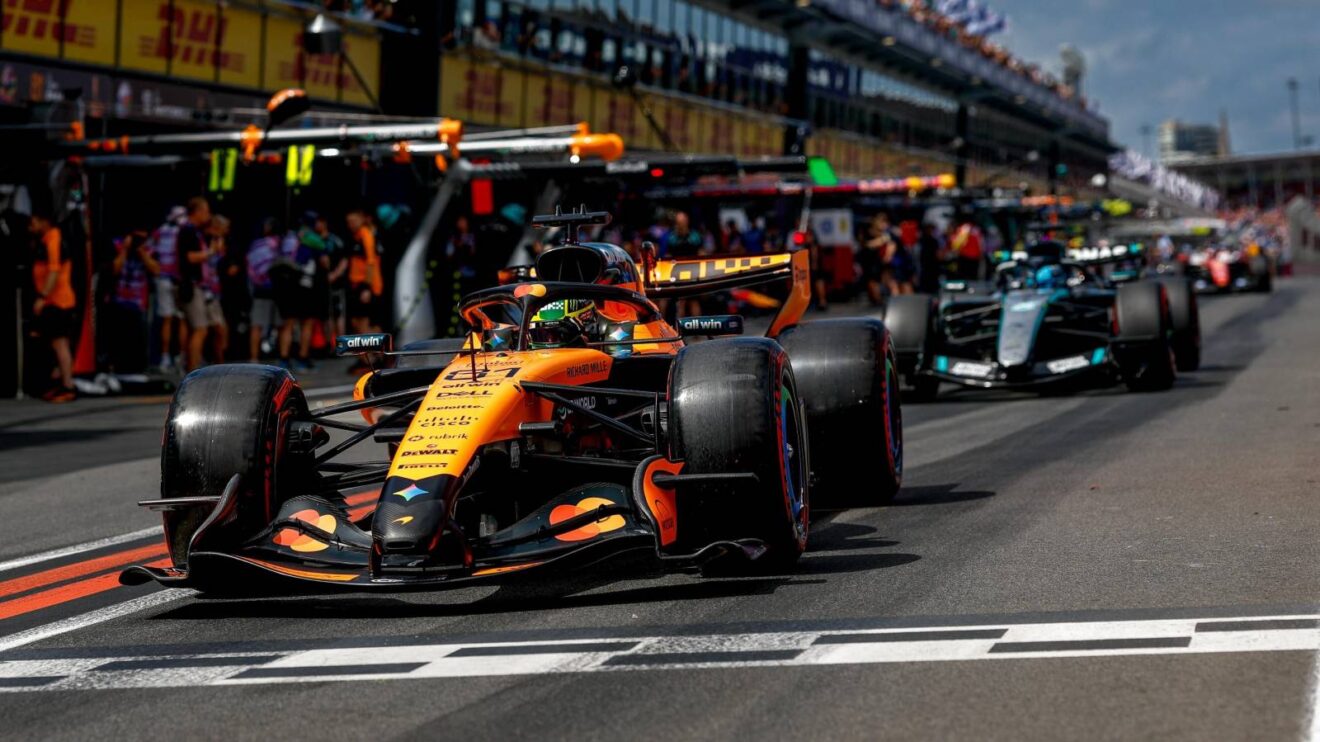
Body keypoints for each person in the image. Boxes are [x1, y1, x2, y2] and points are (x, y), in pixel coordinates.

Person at [28, 212, 77, 401]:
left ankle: (68, 386)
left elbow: (54, 270)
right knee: (52, 342)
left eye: (33, 222)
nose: (30, 226)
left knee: (60, 343)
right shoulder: (47, 238)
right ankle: (59, 382)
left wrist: (42, 296)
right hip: (54, 301)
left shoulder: (54, 238)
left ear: (44, 220)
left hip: (58, 301)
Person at [179, 197, 223, 371]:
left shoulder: (196, 231)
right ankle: (192, 371)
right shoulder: (188, 231)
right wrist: (211, 252)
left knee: (200, 328)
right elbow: (189, 257)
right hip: (191, 284)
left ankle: (194, 366)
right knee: (200, 329)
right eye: (205, 211)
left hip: (199, 286)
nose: (208, 214)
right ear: (196, 212)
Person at [107, 230, 159, 373]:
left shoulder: (148, 249)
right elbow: (114, 269)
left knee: (138, 338)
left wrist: (142, 253)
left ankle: (137, 368)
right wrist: (124, 249)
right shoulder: (118, 246)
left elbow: (156, 270)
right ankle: (116, 366)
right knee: (119, 337)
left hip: (138, 302)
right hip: (118, 300)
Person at [147, 206, 187, 370]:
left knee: (168, 319)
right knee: (181, 319)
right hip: (177, 280)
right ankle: (180, 357)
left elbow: (149, 250)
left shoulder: (159, 231)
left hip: (163, 278)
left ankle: (166, 357)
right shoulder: (184, 231)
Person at [246, 218, 281, 363]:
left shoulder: (256, 245)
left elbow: (250, 267)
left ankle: (255, 358)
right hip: (276, 289)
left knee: (258, 325)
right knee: (279, 326)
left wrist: (257, 281)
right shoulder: (281, 243)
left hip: (263, 289)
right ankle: (280, 358)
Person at [211, 215, 244, 361]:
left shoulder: (232, 244)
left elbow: (235, 268)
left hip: (228, 292)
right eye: (225, 227)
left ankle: (223, 357)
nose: (227, 230)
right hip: (210, 289)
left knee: (225, 325)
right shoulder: (208, 241)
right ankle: (215, 356)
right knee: (214, 327)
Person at [346, 208, 383, 334]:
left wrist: (367, 288)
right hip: (356, 284)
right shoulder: (354, 237)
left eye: (354, 221)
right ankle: (377, 351)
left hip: (367, 284)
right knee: (356, 322)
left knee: (364, 321)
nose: (351, 224)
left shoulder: (366, 235)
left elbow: (371, 261)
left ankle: (374, 352)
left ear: (361, 219)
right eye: (349, 222)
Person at [317, 215, 349, 346]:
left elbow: (344, 260)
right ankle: (330, 345)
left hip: (336, 285)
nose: (316, 225)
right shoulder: (314, 240)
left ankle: (342, 345)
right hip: (321, 285)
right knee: (326, 317)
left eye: (319, 222)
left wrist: (335, 274)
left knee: (338, 314)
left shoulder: (334, 240)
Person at [916, 221, 944, 294]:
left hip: (926, 269)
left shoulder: (921, 240)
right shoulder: (933, 241)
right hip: (930, 269)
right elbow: (939, 255)